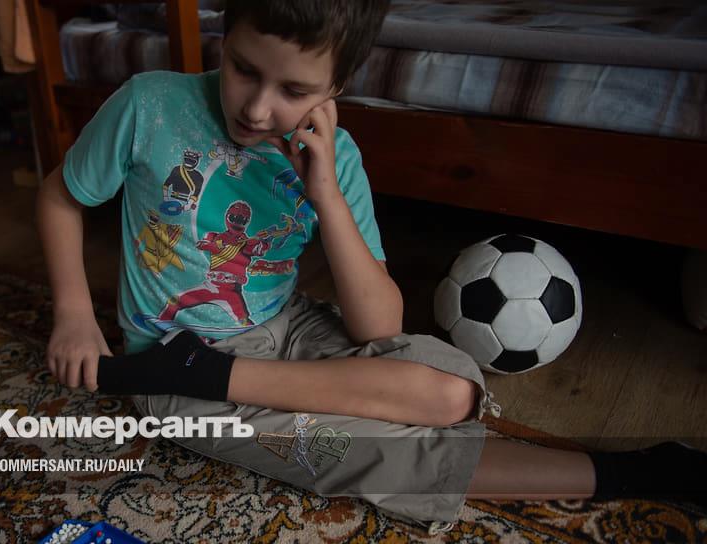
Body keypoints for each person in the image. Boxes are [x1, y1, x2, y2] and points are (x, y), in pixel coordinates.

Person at [37, 0, 706, 530]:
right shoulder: (149, 104)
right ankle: (635, 475)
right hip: (172, 371)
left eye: (294, 89)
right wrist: (73, 313)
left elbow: (378, 327)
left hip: (286, 331)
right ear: (226, 35)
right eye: (243, 68)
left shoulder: (340, 160)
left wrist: (326, 195)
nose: (258, 107)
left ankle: (223, 376)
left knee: (454, 388)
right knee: (376, 452)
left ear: (336, 87)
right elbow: (61, 196)